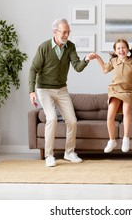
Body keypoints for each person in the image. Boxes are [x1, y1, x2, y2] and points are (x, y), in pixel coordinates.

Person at [29, 18, 97, 167]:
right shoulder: (44, 47)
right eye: (64, 32)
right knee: (52, 118)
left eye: (68, 32)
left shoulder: (70, 47)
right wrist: (31, 91)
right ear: (55, 32)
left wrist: (86, 59)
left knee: (72, 120)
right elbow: (33, 69)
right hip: (44, 89)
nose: (66, 35)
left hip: (61, 89)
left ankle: (69, 152)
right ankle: (49, 155)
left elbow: (77, 67)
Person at [95, 39, 132, 153]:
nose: (121, 50)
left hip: (128, 92)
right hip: (115, 90)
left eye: (123, 47)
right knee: (110, 116)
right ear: (115, 51)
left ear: (128, 49)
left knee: (126, 111)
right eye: (118, 48)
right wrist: (97, 58)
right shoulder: (114, 61)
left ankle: (126, 138)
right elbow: (105, 69)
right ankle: (112, 140)